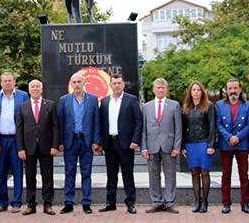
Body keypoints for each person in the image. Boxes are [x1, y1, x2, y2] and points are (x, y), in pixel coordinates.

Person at [98, 74, 142, 214]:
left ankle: (130, 202)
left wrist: (135, 140)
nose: (116, 85)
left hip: (126, 144)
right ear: (110, 85)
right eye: (114, 83)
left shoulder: (131, 100)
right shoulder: (105, 102)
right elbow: (101, 123)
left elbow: (138, 121)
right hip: (110, 143)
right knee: (111, 175)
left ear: (123, 84)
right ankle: (110, 202)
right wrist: (99, 142)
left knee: (127, 174)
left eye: (119, 83)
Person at [58, 73, 101, 214]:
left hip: (86, 142)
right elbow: (60, 123)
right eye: (74, 82)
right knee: (69, 173)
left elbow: (96, 121)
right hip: (70, 142)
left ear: (84, 83)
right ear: (71, 84)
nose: (76, 84)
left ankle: (86, 203)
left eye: (79, 82)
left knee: (86, 173)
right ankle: (68, 202)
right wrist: (61, 142)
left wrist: (96, 141)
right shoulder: (64, 100)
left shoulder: (92, 99)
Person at [15, 79, 59, 216]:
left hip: (46, 147)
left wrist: (54, 145)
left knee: (47, 176)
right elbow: (19, 129)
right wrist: (20, 148)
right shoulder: (22, 106)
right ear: (29, 90)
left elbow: (55, 127)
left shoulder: (50, 105)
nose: (35, 89)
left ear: (42, 89)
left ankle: (48, 204)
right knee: (30, 176)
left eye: (37, 87)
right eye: (32, 87)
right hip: (28, 148)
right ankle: (31, 204)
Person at [141, 78, 182, 214]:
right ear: (153, 89)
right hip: (152, 145)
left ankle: (169, 202)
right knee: (153, 175)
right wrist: (144, 147)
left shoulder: (174, 105)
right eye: (158, 87)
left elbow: (178, 128)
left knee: (170, 174)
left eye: (163, 87)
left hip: (168, 145)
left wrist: (177, 146)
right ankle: (157, 202)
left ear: (166, 89)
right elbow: (144, 129)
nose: (160, 90)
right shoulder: (146, 107)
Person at [0, 72, 29, 213]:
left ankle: (17, 201)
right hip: (0, 139)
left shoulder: (23, 96)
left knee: (18, 171)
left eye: (10, 80)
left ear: (14, 82)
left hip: (16, 139)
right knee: (1, 171)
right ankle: (2, 201)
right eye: (5, 81)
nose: (7, 83)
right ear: (1, 83)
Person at [215, 78, 249, 214]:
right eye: (230, 88)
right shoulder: (220, 105)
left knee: (244, 175)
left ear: (240, 89)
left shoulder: (247, 105)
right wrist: (229, 137)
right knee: (226, 175)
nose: (233, 91)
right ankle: (226, 203)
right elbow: (218, 124)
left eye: (235, 88)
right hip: (226, 145)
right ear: (226, 90)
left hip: (242, 144)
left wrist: (238, 137)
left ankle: (245, 203)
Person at [181, 81, 215, 213]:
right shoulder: (185, 107)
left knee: (204, 172)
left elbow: (212, 126)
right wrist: (182, 145)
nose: (196, 92)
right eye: (193, 90)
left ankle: (205, 201)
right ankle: (197, 200)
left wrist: (211, 145)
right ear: (190, 92)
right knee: (194, 172)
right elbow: (183, 128)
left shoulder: (208, 106)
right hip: (190, 144)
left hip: (204, 143)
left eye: (198, 90)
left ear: (202, 92)